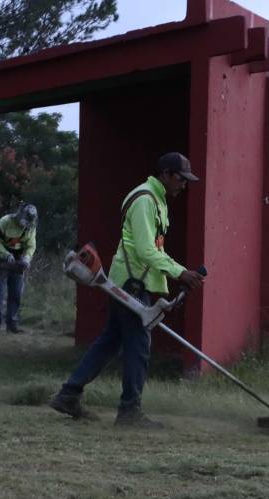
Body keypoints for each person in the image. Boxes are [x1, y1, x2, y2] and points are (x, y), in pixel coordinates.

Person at [49, 152, 205, 427]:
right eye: (181, 179)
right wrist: (181, 272)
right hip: (133, 283)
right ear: (166, 174)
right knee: (139, 347)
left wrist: (175, 274)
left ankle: (69, 394)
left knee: (109, 341)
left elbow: (153, 247)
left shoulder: (156, 199)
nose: (184, 184)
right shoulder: (145, 200)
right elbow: (146, 250)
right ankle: (129, 411)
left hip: (132, 280)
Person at [0, 203, 38, 333]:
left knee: (16, 293)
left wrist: (27, 258)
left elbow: (31, 245)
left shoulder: (31, 227)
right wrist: (6, 255)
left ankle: (12, 325)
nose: (25, 223)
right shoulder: (5, 221)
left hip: (19, 260)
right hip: (1, 258)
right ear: (20, 214)